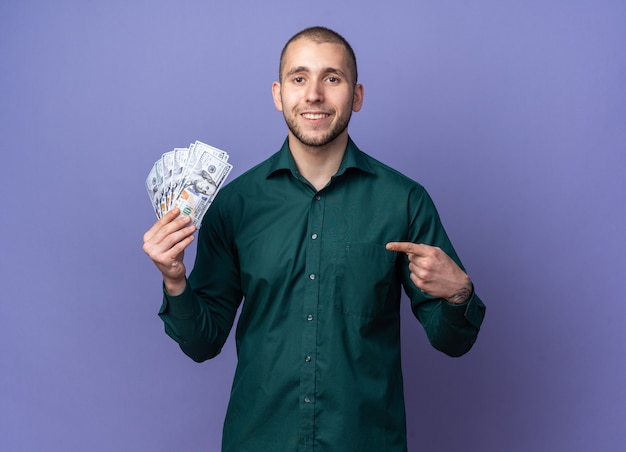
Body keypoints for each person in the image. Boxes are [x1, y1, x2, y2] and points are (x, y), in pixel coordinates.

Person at [143, 26, 486, 452]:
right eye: (299, 78)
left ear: (356, 96)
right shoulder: (235, 205)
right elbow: (201, 343)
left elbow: (453, 342)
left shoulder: (404, 201)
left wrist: (458, 294)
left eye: (332, 78)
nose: (314, 95)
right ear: (278, 93)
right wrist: (175, 279)